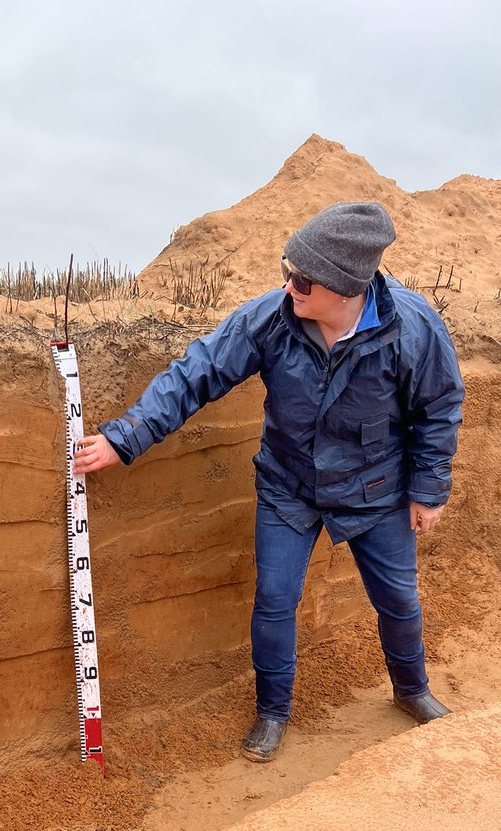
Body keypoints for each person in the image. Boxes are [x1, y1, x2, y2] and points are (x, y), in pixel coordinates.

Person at [74, 202, 464, 763]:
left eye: (303, 278)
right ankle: (273, 713)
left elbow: (439, 406)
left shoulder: (412, 326)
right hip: (289, 486)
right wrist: (124, 437)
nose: (289, 285)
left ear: (347, 286)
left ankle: (412, 691)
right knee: (275, 600)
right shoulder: (275, 316)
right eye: (287, 269)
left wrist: (428, 490)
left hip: (378, 488)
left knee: (399, 600)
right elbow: (197, 372)